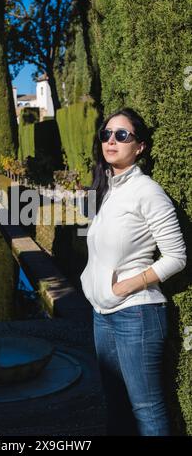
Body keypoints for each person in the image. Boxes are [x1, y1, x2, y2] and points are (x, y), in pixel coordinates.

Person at [80, 108, 187, 436]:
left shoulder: (148, 192)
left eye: (122, 135)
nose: (111, 140)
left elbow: (177, 256)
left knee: (147, 411)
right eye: (106, 134)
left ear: (139, 146)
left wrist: (126, 286)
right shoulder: (106, 189)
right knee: (115, 405)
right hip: (102, 315)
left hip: (136, 315)